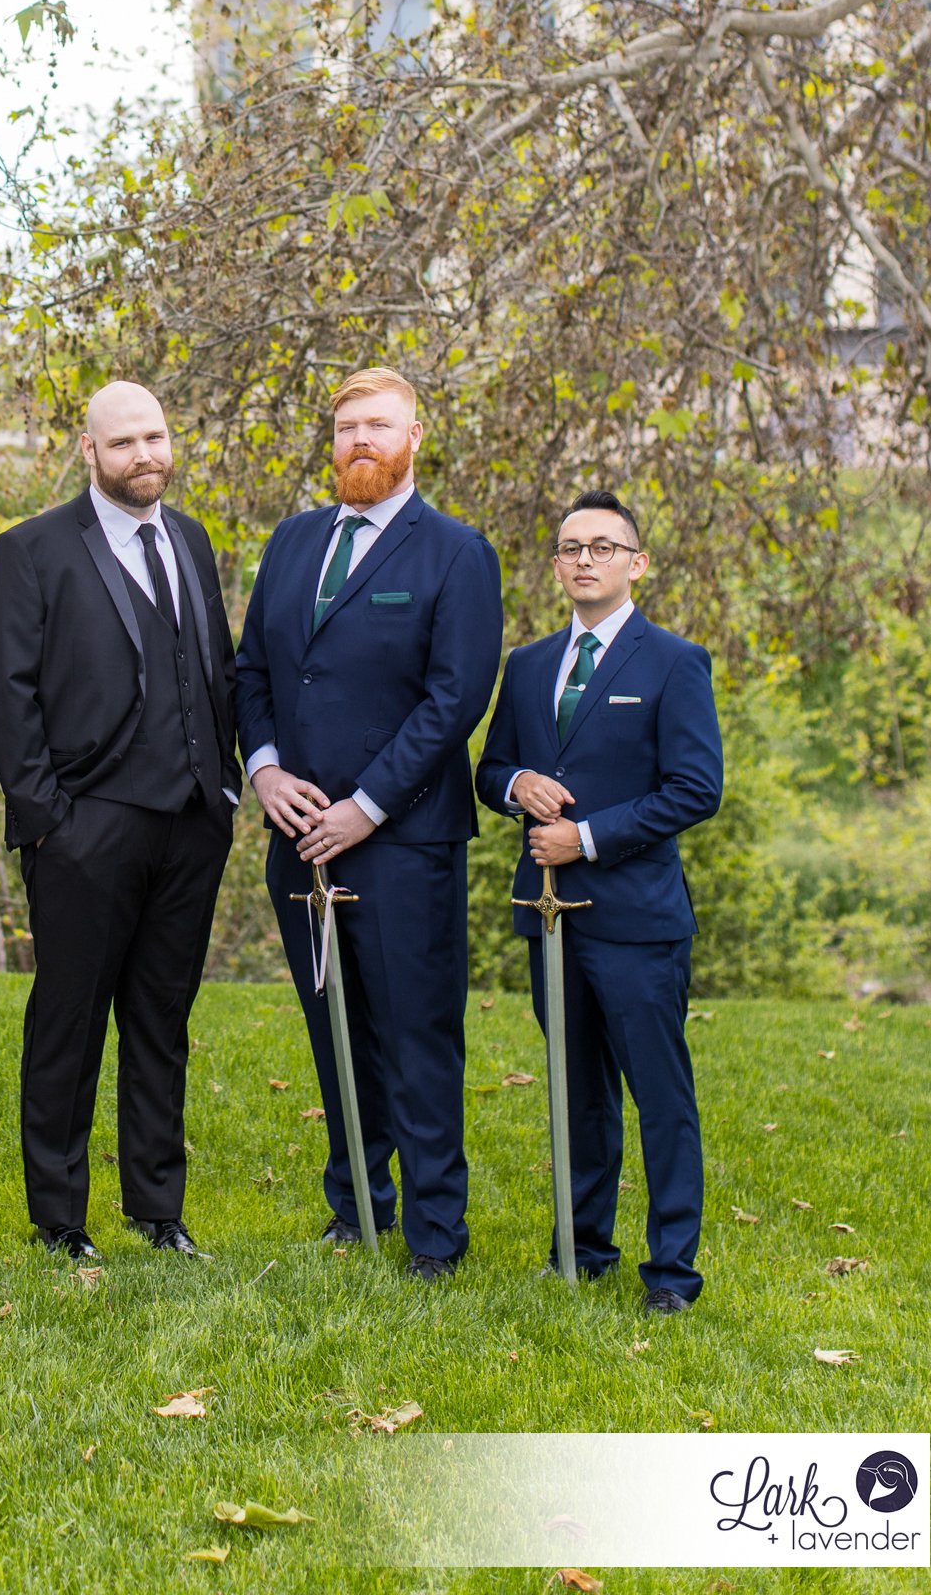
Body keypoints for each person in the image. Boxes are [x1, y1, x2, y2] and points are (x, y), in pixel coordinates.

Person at [235, 368, 502, 1275]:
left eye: (378, 425)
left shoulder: (455, 552)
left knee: (416, 1036)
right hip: (295, 836)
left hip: (403, 842)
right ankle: (356, 1210)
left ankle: (434, 1235)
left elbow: (453, 697)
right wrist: (265, 772)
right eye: (347, 425)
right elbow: (253, 675)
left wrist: (365, 807)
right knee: (332, 1027)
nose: (359, 440)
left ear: (414, 436)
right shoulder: (293, 540)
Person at [0, 381, 239, 1261]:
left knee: (162, 1021)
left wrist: (225, 790)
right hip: (84, 827)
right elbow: (5, 694)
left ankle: (157, 1211)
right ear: (88, 452)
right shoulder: (32, 549)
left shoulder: (192, 540)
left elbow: (215, 670)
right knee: (69, 1020)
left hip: (192, 823)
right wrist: (48, 817)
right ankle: (60, 1220)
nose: (144, 456)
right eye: (123, 443)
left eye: (156, 437)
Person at [476, 490, 723, 1313]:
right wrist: (516, 784)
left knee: (659, 1097)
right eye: (570, 548)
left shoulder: (673, 662)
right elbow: (487, 771)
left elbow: (695, 788)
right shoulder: (528, 664)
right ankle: (581, 1249)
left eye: (603, 547)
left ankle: (672, 1273)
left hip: (637, 920)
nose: (584, 559)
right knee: (577, 1094)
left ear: (635, 562)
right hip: (549, 919)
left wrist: (584, 839)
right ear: (555, 565)